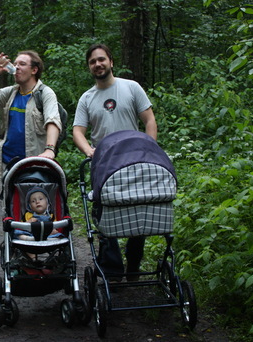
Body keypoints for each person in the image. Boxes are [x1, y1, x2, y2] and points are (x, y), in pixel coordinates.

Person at [72, 44, 158, 281]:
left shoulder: (131, 88)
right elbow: (77, 130)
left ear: (111, 61)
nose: (98, 64)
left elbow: (149, 120)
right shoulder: (87, 98)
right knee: (104, 215)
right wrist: (90, 151)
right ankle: (112, 272)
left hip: (135, 162)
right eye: (92, 61)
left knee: (138, 212)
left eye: (101, 59)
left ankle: (134, 263)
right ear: (89, 67)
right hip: (104, 165)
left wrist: (149, 148)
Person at [0, 51, 62, 178]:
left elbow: (52, 121)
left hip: (33, 163)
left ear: (34, 70)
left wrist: (50, 149)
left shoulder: (45, 93)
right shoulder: (11, 92)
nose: (16, 67)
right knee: (9, 198)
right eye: (15, 64)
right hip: (8, 164)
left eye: (22, 64)